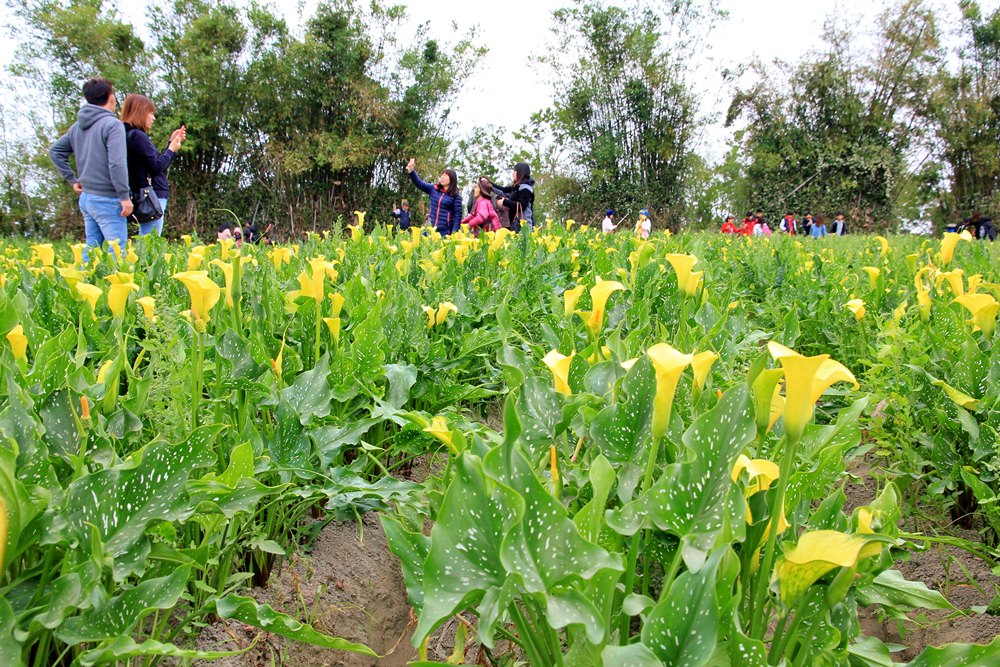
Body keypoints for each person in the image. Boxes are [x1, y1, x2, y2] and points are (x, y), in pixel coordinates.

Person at [49, 77, 132, 256]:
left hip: (87, 198)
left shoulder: (77, 127)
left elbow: (55, 152)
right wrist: (124, 196)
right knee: (117, 252)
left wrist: (72, 179)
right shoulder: (112, 125)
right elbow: (117, 163)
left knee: (92, 251)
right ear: (111, 98)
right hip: (108, 198)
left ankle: (83, 283)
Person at [120, 94, 185, 236]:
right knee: (150, 241)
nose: (153, 118)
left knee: (145, 238)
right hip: (152, 195)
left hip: (141, 192)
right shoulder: (138, 136)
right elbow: (157, 167)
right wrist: (171, 149)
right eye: (150, 113)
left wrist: (170, 143)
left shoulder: (124, 134)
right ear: (140, 112)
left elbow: (149, 163)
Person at [405, 158, 462, 236]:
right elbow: (419, 183)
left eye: (445, 176)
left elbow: (457, 217)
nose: (442, 177)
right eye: (442, 175)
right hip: (429, 229)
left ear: (452, 179)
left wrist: (454, 234)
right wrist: (411, 171)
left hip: (444, 231)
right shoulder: (434, 189)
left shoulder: (456, 196)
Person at [495, 162, 536, 232]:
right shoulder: (517, 187)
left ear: (521, 172)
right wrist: (489, 184)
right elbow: (504, 190)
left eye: (515, 171)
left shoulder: (526, 189)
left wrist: (504, 202)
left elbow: (522, 205)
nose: (513, 173)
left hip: (525, 228)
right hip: (516, 225)